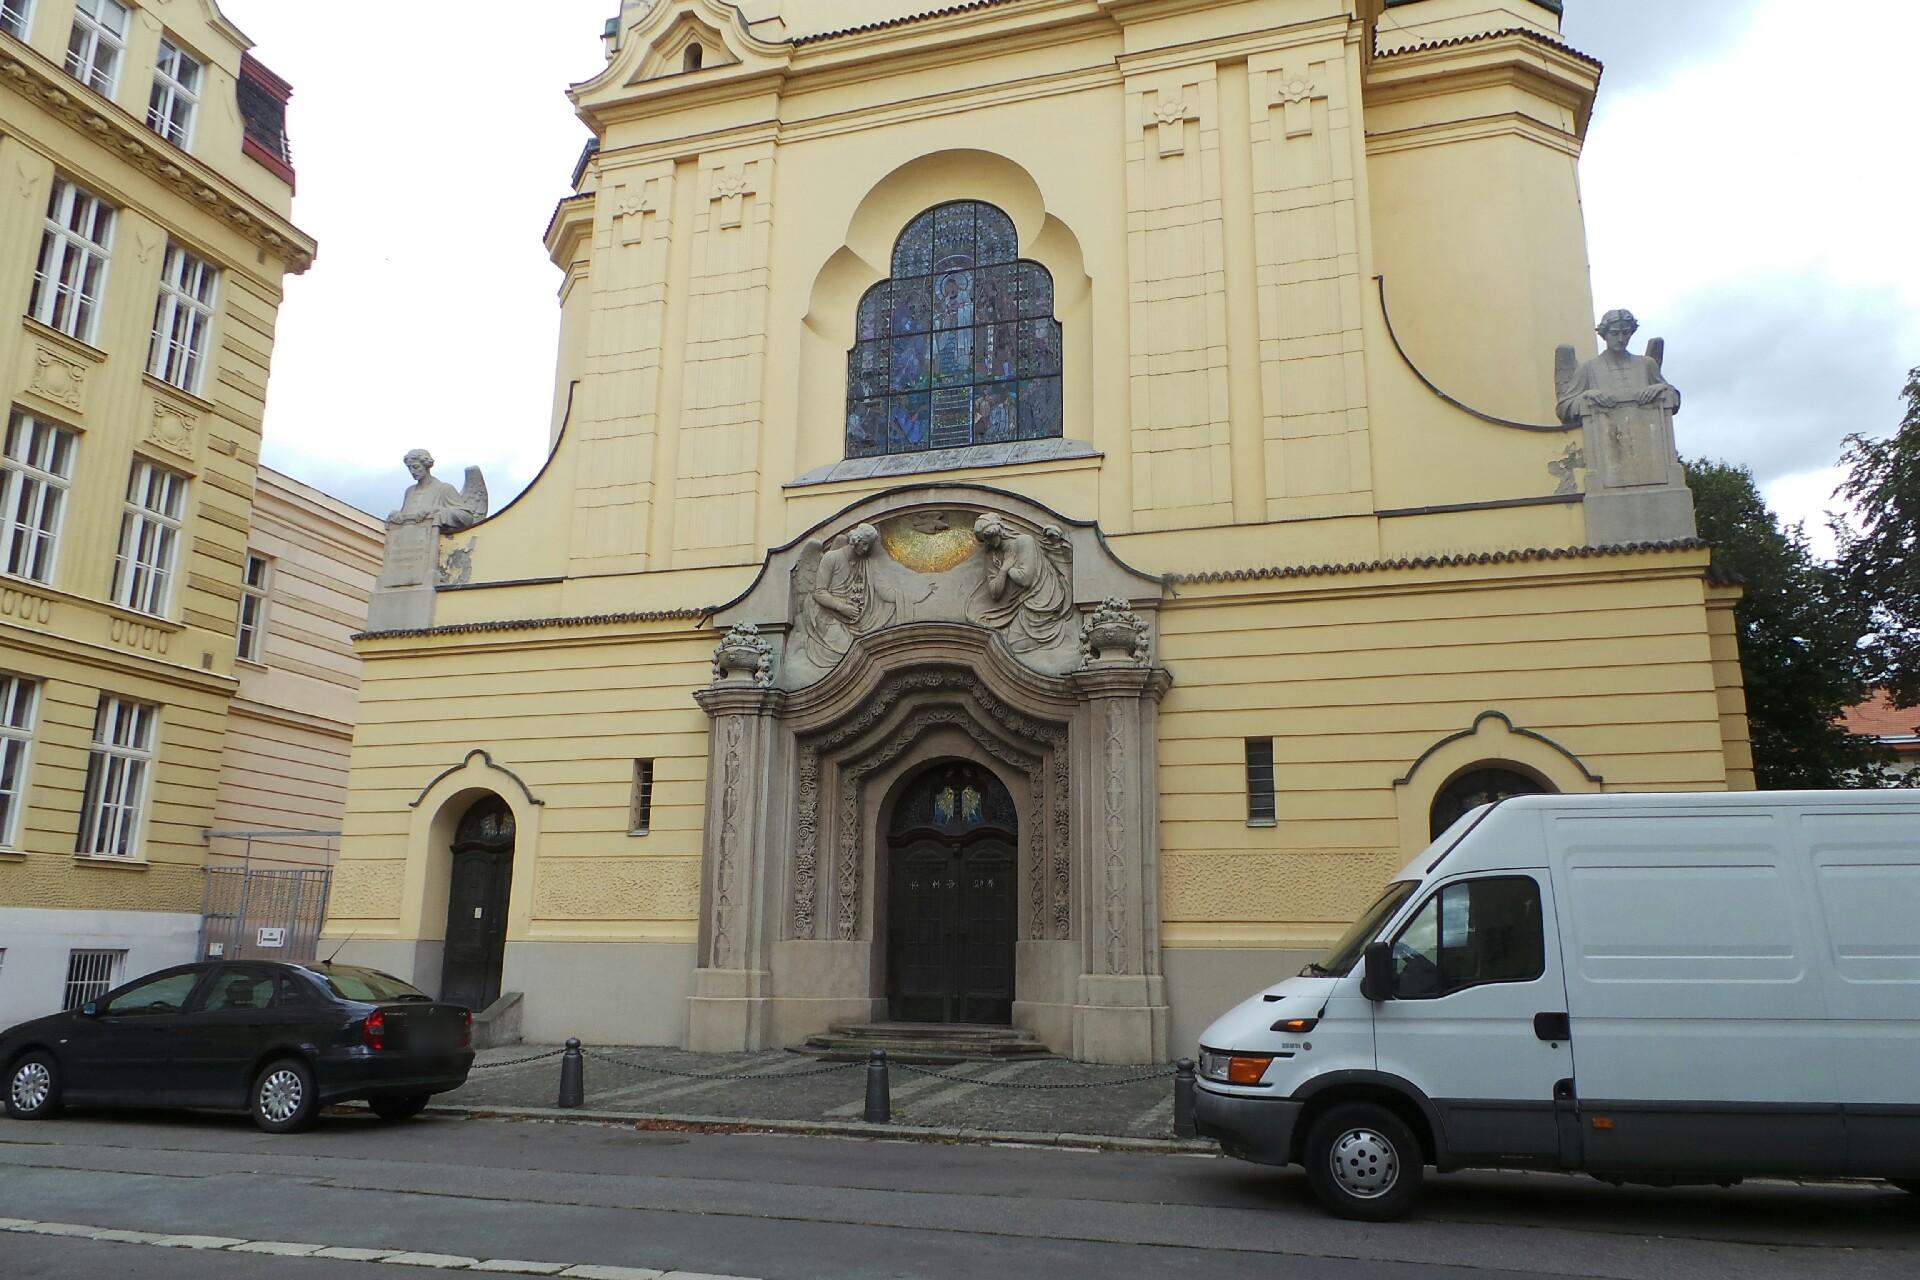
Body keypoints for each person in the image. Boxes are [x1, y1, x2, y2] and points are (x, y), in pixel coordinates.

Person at [1555, 309, 1681, 426]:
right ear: (1604, 334)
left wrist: (1661, 388)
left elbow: (1674, 399)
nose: (1621, 339)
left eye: (1626, 333)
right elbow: (1563, 409)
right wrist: (1586, 396)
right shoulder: (1588, 368)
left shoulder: (1646, 364)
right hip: (1604, 432)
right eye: (1614, 333)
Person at [387, 450, 484, 532]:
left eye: (416, 467)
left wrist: (438, 511)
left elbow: (466, 518)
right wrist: (397, 516)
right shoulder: (410, 491)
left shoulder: (445, 488)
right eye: (409, 468)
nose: (412, 471)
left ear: (426, 465)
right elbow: (407, 517)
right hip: (409, 540)